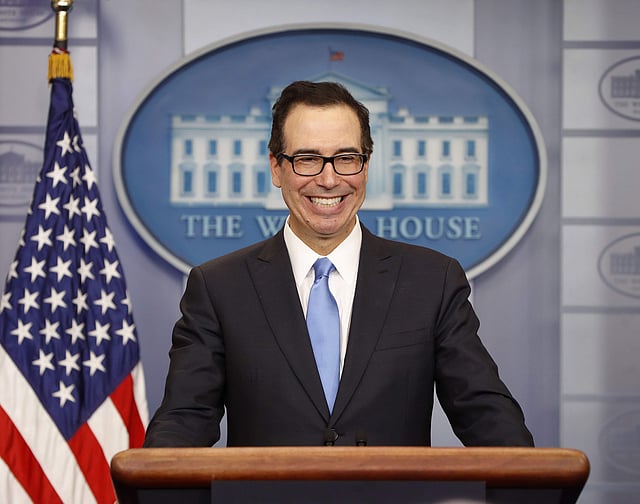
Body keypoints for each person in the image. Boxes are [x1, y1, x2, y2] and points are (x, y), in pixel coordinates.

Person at [143, 81, 534, 448]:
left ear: (367, 164)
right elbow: (184, 421)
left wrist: (531, 480)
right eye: (308, 159)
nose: (329, 180)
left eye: (346, 158)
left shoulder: (432, 281)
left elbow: (488, 416)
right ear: (276, 167)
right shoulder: (219, 288)